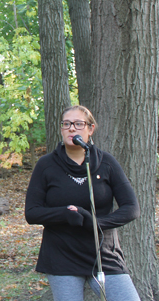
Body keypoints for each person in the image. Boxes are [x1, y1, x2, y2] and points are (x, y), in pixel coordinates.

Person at [25, 105, 141, 301]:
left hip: (103, 253)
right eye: (67, 124)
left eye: (79, 124)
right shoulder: (46, 165)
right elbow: (32, 212)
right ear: (61, 129)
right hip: (62, 253)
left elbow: (132, 208)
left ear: (90, 129)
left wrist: (95, 224)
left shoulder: (107, 163)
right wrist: (64, 214)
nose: (72, 129)